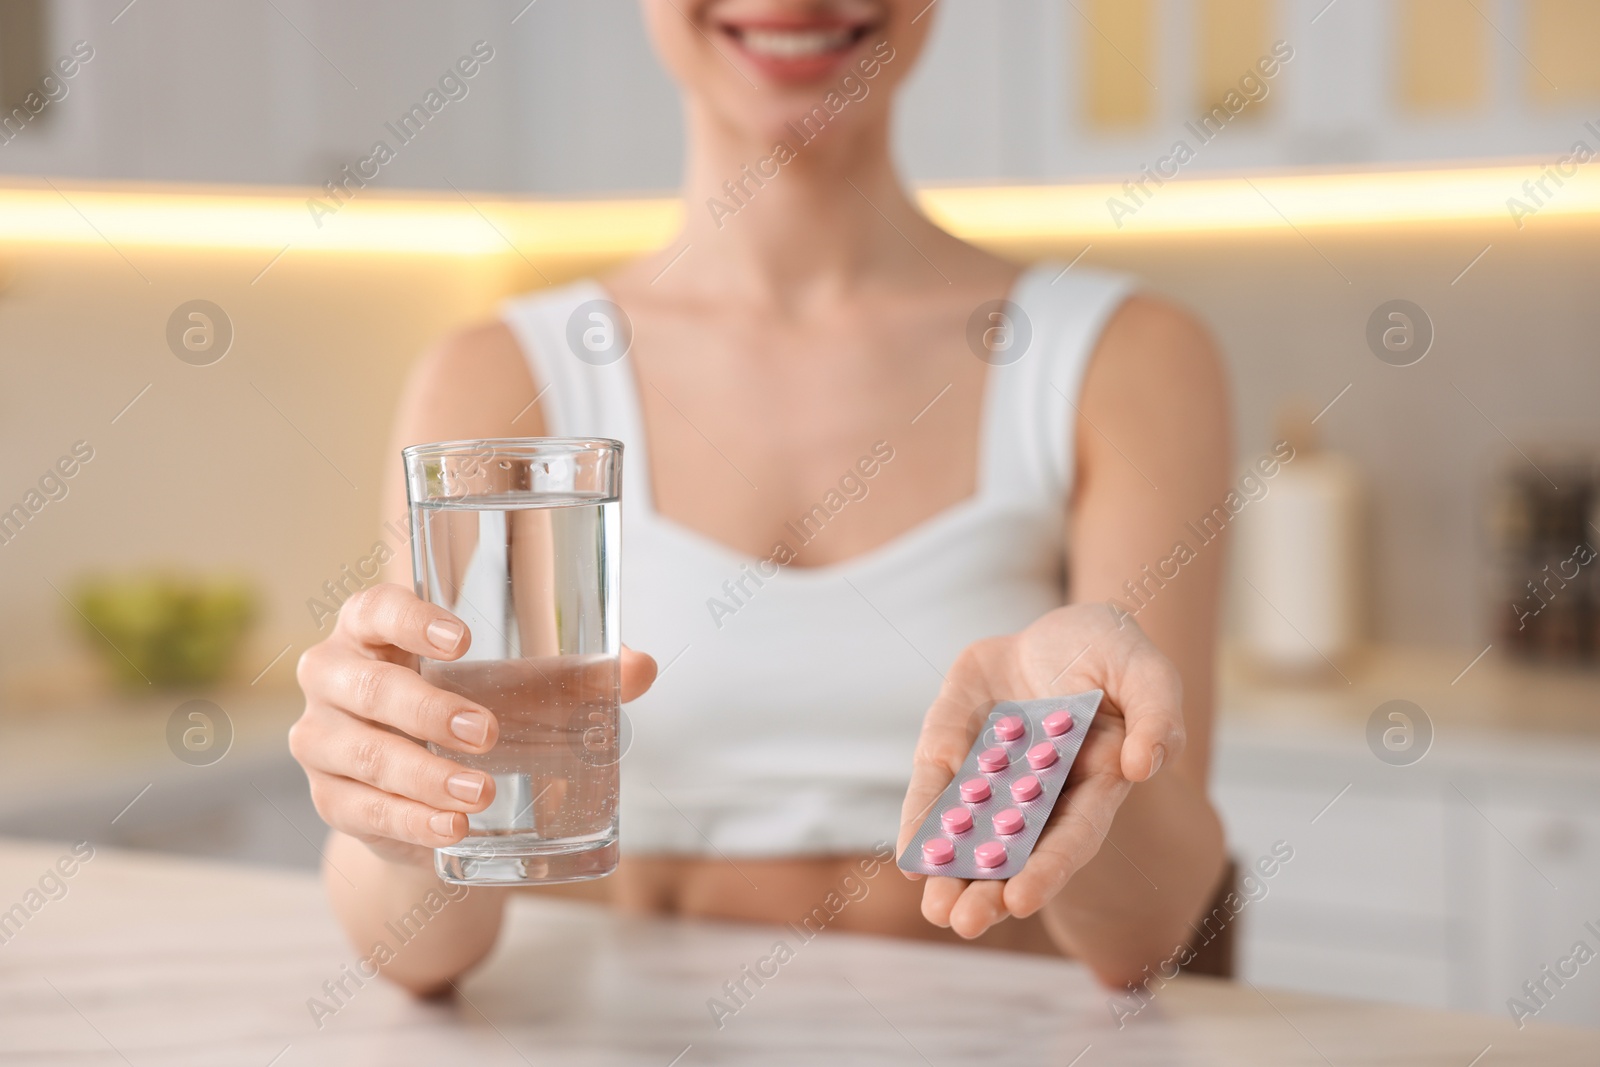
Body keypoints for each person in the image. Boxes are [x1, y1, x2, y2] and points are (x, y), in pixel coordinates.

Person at [289, 0, 1230, 995]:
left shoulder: (1126, 358)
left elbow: (1148, 930)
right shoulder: (494, 376)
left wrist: (1078, 753)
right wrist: (394, 822)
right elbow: (418, 954)